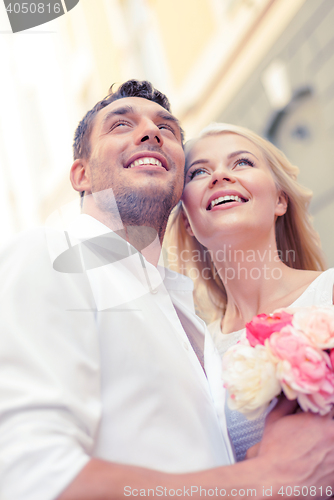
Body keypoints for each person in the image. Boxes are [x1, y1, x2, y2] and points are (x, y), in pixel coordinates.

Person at [0, 82, 334, 500]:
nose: (150, 132)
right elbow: (30, 479)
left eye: (167, 129)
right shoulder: (48, 256)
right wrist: (265, 481)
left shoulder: (185, 318)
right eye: (121, 124)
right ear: (81, 174)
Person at [169, 122, 334, 461]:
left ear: (280, 200)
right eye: (198, 172)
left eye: (242, 162)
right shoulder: (198, 354)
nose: (220, 176)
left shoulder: (329, 295)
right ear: (188, 221)